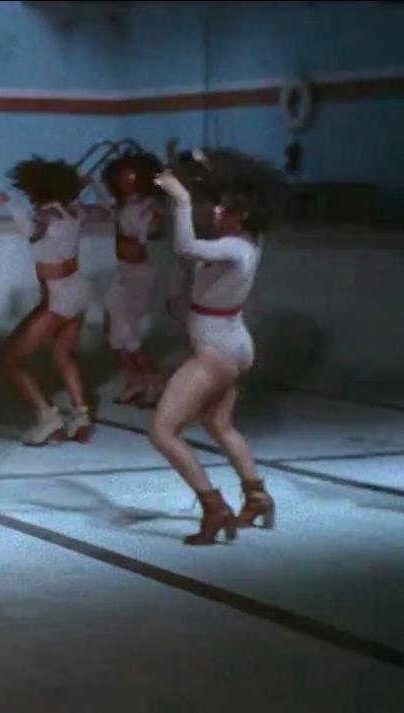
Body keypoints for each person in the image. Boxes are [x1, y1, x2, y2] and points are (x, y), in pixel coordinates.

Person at [146, 149, 288, 545]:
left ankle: (214, 507)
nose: (217, 211)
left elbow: (186, 248)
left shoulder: (236, 248)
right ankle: (257, 496)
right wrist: (207, 167)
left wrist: (182, 200)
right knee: (219, 425)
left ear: (243, 214)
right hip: (233, 342)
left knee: (163, 432)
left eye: (225, 208)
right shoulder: (245, 240)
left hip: (217, 351)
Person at [0, 156, 101, 445]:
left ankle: (48, 417)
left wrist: (11, 205)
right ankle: (81, 415)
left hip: (59, 294)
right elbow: (104, 210)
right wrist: (88, 186)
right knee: (64, 355)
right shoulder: (74, 210)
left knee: (12, 359)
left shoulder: (46, 214)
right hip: (78, 288)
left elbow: (31, 232)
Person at [97, 143, 167, 408]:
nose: (126, 182)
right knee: (113, 331)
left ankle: (154, 382)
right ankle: (134, 380)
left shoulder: (149, 205)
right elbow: (107, 210)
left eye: (132, 176)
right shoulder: (123, 204)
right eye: (122, 178)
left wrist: (153, 220)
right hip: (123, 271)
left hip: (139, 274)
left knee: (128, 333)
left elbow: (156, 228)